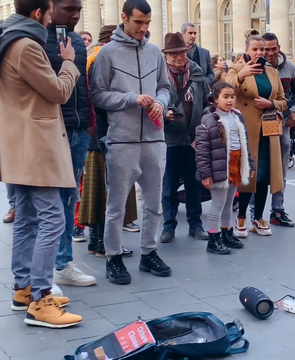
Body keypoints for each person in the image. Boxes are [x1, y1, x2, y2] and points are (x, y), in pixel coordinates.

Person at [0, 0, 83, 327]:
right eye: (51, 9)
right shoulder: (26, 45)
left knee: (27, 217)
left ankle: (23, 288)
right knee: (53, 217)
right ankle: (40, 300)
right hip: (35, 145)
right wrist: (68, 63)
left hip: (19, 142)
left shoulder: (4, 36)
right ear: (39, 13)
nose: (54, 16)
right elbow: (58, 91)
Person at [90, 0, 172, 285]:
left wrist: (160, 102)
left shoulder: (154, 52)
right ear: (124, 18)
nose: (144, 28)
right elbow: (98, 95)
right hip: (122, 140)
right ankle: (113, 257)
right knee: (116, 205)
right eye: (138, 22)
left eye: (147, 23)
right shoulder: (107, 53)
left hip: (154, 138)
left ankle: (149, 252)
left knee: (154, 202)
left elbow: (165, 87)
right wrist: (131, 99)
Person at [42, 0, 98, 291]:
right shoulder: (36, 38)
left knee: (68, 198)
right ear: (51, 7)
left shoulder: (76, 40)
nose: (75, 14)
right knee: (48, 203)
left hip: (78, 131)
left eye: (78, 8)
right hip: (52, 132)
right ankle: (46, 269)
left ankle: (62, 264)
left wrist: (89, 122)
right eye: (69, 8)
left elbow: (83, 85)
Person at [226, 30, 287, 236]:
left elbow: (283, 100)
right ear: (246, 50)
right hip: (245, 131)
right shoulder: (235, 69)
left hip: (267, 131)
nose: (259, 53)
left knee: (264, 175)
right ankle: (241, 216)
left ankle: (258, 217)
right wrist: (242, 75)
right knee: (247, 174)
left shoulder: (272, 73)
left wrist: (270, 103)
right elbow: (225, 91)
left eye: (262, 49)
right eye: (255, 49)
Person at [81, 24, 135, 258]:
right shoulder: (103, 60)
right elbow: (103, 102)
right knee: (110, 193)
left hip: (98, 137)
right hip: (110, 136)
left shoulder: (91, 59)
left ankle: (96, 242)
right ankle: (104, 243)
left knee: (97, 193)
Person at [159, 32, 211, 243]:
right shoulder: (159, 75)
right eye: (173, 54)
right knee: (169, 185)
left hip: (194, 138)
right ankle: (169, 226)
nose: (178, 57)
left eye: (181, 52)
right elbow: (154, 103)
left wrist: (203, 131)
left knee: (193, 183)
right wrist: (164, 114)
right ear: (166, 56)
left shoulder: (197, 74)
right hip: (170, 138)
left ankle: (195, 224)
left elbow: (207, 103)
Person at [248, 32, 295, 227]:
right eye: (265, 49)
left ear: (279, 48)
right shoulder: (255, 67)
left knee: (280, 169)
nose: (269, 53)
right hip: (257, 126)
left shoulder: (289, 68)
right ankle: (255, 209)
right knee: (257, 168)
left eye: (273, 48)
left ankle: (277, 210)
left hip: (282, 124)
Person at [196, 82, 256, 254]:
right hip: (219, 166)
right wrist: (205, 173)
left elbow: (244, 143)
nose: (230, 100)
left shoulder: (237, 116)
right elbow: (202, 150)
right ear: (215, 98)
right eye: (225, 97)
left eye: (232, 97)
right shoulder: (209, 120)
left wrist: (250, 163)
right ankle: (213, 239)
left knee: (229, 202)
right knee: (218, 203)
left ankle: (226, 232)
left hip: (235, 163)